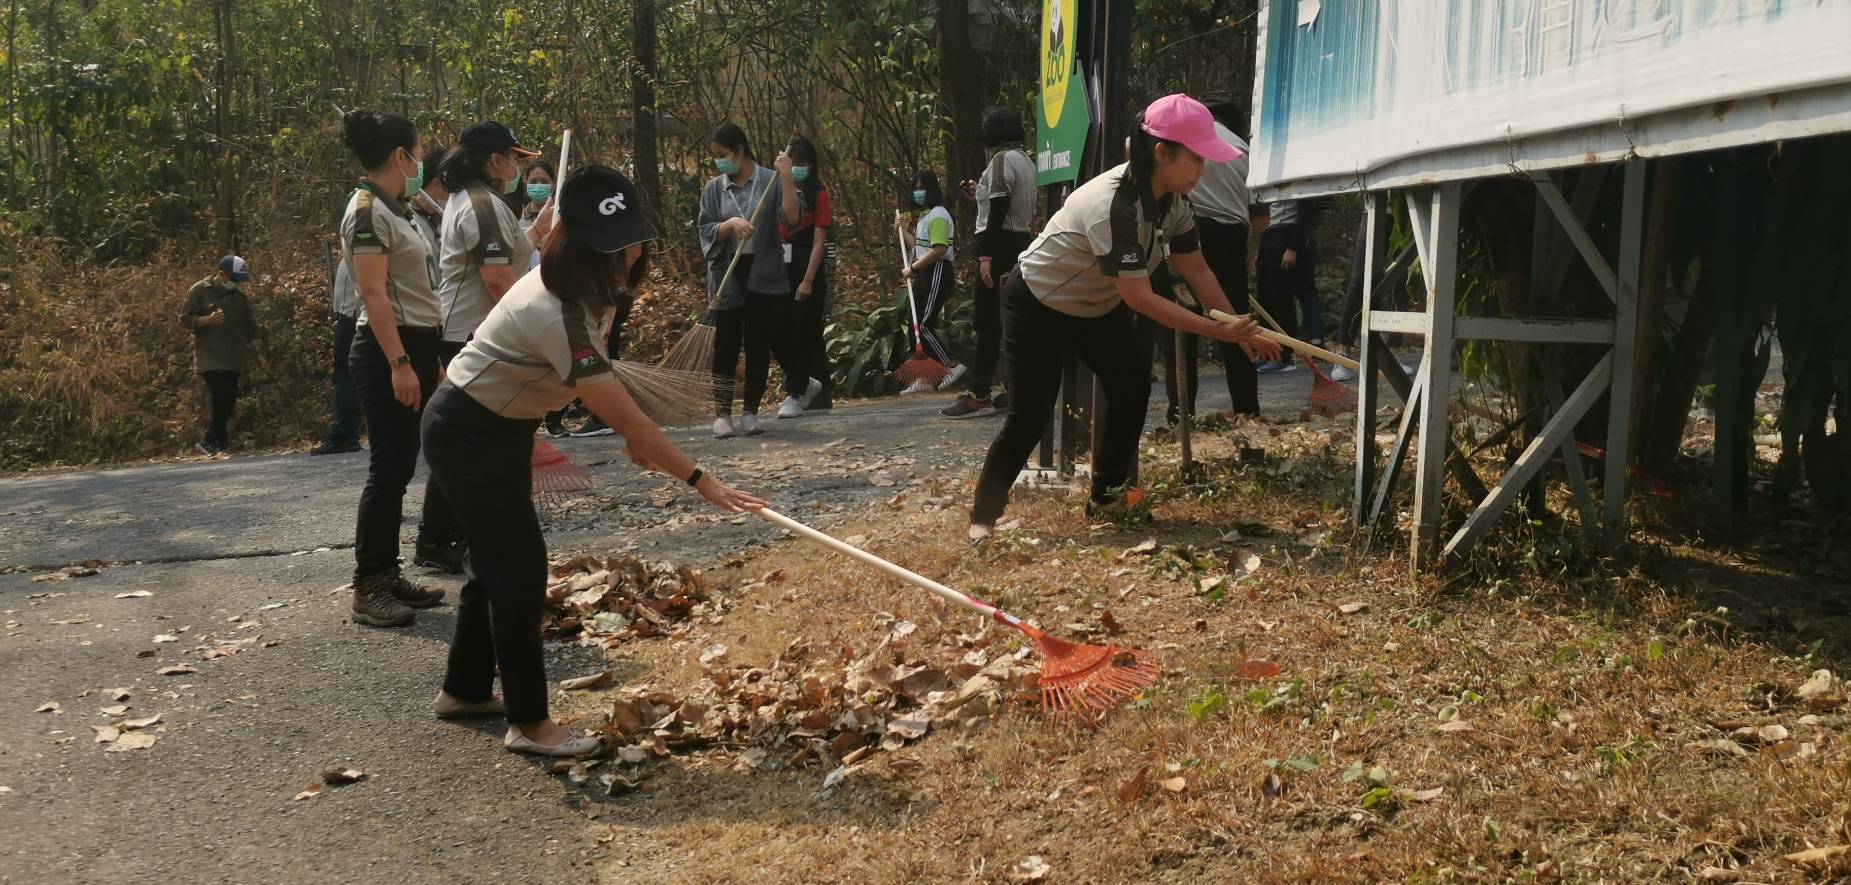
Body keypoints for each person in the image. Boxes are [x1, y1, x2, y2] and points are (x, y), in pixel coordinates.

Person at [424, 165, 765, 757]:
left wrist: (642, 443)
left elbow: (615, 403)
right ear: (572, 244)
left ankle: (466, 689)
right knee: (521, 568)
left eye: (632, 241)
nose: (628, 256)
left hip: (497, 428)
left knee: (494, 563)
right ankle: (530, 724)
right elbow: (624, 416)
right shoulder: (551, 308)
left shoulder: (591, 292)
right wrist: (700, 479)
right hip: (467, 431)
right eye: (611, 247)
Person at [966, 94, 1282, 543]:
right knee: (1028, 417)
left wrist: (1237, 325)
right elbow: (1142, 300)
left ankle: (1107, 496)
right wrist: (1217, 331)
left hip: (1095, 305)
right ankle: (983, 517)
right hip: (1037, 302)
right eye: (1196, 159)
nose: (1202, 170)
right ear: (1162, 153)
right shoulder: (1113, 205)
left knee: (1131, 383)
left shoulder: (1174, 203)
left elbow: (1197, 269)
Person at [336, 109, 449, 627]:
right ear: (401, 155)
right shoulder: (366, 211)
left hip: (417, 345)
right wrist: (399, 362)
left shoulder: (398, 208)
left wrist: (428, 359)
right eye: (420, 150)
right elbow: (372, 293)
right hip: (389, 348)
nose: (423, 159)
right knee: (388, 469)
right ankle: (370, 585)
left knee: (403, 464)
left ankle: (389, 573)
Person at [1149, 100, 1259, 419]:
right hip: (1227, 234)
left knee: (1183, 331)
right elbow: (1259, 210)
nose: (1201, 169)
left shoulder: (1186, 148)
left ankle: (1181, 411)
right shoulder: (1242, 147)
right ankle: (1247, 409)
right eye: (1198, 160)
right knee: (1233, 323)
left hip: (1195, 231)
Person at [697, 122, 806, 438]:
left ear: (739, 151)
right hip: (727, 275)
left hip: (763, 275)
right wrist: (729, 225)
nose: (719, 161)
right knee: (726, 345)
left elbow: (792, 217)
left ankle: (751, 412)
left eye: (722, 154)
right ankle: (722, 414)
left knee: (759, 343)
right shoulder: (714, 188)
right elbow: (705, 229)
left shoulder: (770, 181)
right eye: (715, 156)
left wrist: (786, 176)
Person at [944, 108, 1035, 419]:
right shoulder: (1026, 161)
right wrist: (978, 193)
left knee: (986, 322)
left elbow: (997, 210)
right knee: (1012, 320)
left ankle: (979, 392)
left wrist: (985, 256)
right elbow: (998, 201)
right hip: (1020, 243)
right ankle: (1015, 387)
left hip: (998, 247)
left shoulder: (1000, 160)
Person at [180, 255, 261, 456]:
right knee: (220, 397)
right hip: (210, 356)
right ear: (222, 274)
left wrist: (258, 351)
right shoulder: (199, 291)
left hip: (233, 356)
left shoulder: (240, 297)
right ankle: (214, 440)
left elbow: (250, 327)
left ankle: (215, 442)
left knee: (230, 399)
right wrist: (206, 320)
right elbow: (185, 319)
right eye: (233, 279)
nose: (235, 284)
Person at [779, 135, 834, 417]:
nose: (797, 168)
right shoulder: (779, 191)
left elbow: (819, 242)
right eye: (793, 163)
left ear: (811, 166)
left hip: (807, 268)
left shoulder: (819, 196)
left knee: (804, 331)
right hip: (782, 268)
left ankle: (798, 390)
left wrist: (808, 279)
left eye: (802, 164)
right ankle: (820, 389)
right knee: (796, 332)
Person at [899, 169, 964, 395]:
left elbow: (939, 250)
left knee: (923, 324)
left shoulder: (938, 214)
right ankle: (925, 378)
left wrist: (913, 267)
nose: (918, 192)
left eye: (921, 187)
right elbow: (917, 247)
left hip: (937, 272)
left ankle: (950, 366)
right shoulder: (925, 215)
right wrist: (900, 229)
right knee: (913, 322)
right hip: (923, 273)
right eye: (915, 188)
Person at [1255, 195, 1328, 372]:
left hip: (1290, 232)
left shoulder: (1295, 174)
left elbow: (1306, 208)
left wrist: (1292, 247)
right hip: (1272, 233)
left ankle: (1284, 355)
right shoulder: (1267, 177)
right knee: (1268, 296)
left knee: (1285, 295)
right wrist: (1261, 250)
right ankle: (1269, 353)